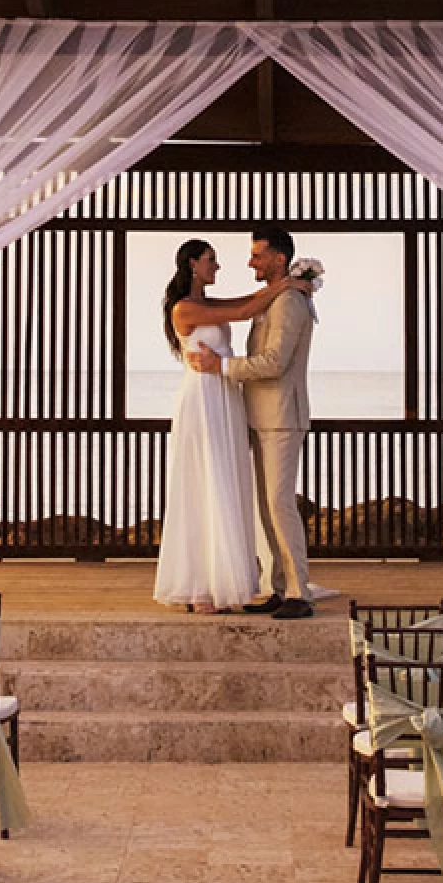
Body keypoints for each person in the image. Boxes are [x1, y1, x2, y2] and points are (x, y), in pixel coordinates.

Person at [152, 239, 305, 613]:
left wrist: (291, 283)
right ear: (192, 264)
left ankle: (223, 580)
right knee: (206, 484)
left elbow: (247, 302)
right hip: (203, 399)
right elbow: (245, 311)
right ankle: (201, 585)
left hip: (225, 399)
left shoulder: (206, 304)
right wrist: (287, 284)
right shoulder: (185, 308)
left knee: (226, 485)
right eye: (210, 260)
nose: (218, 266)